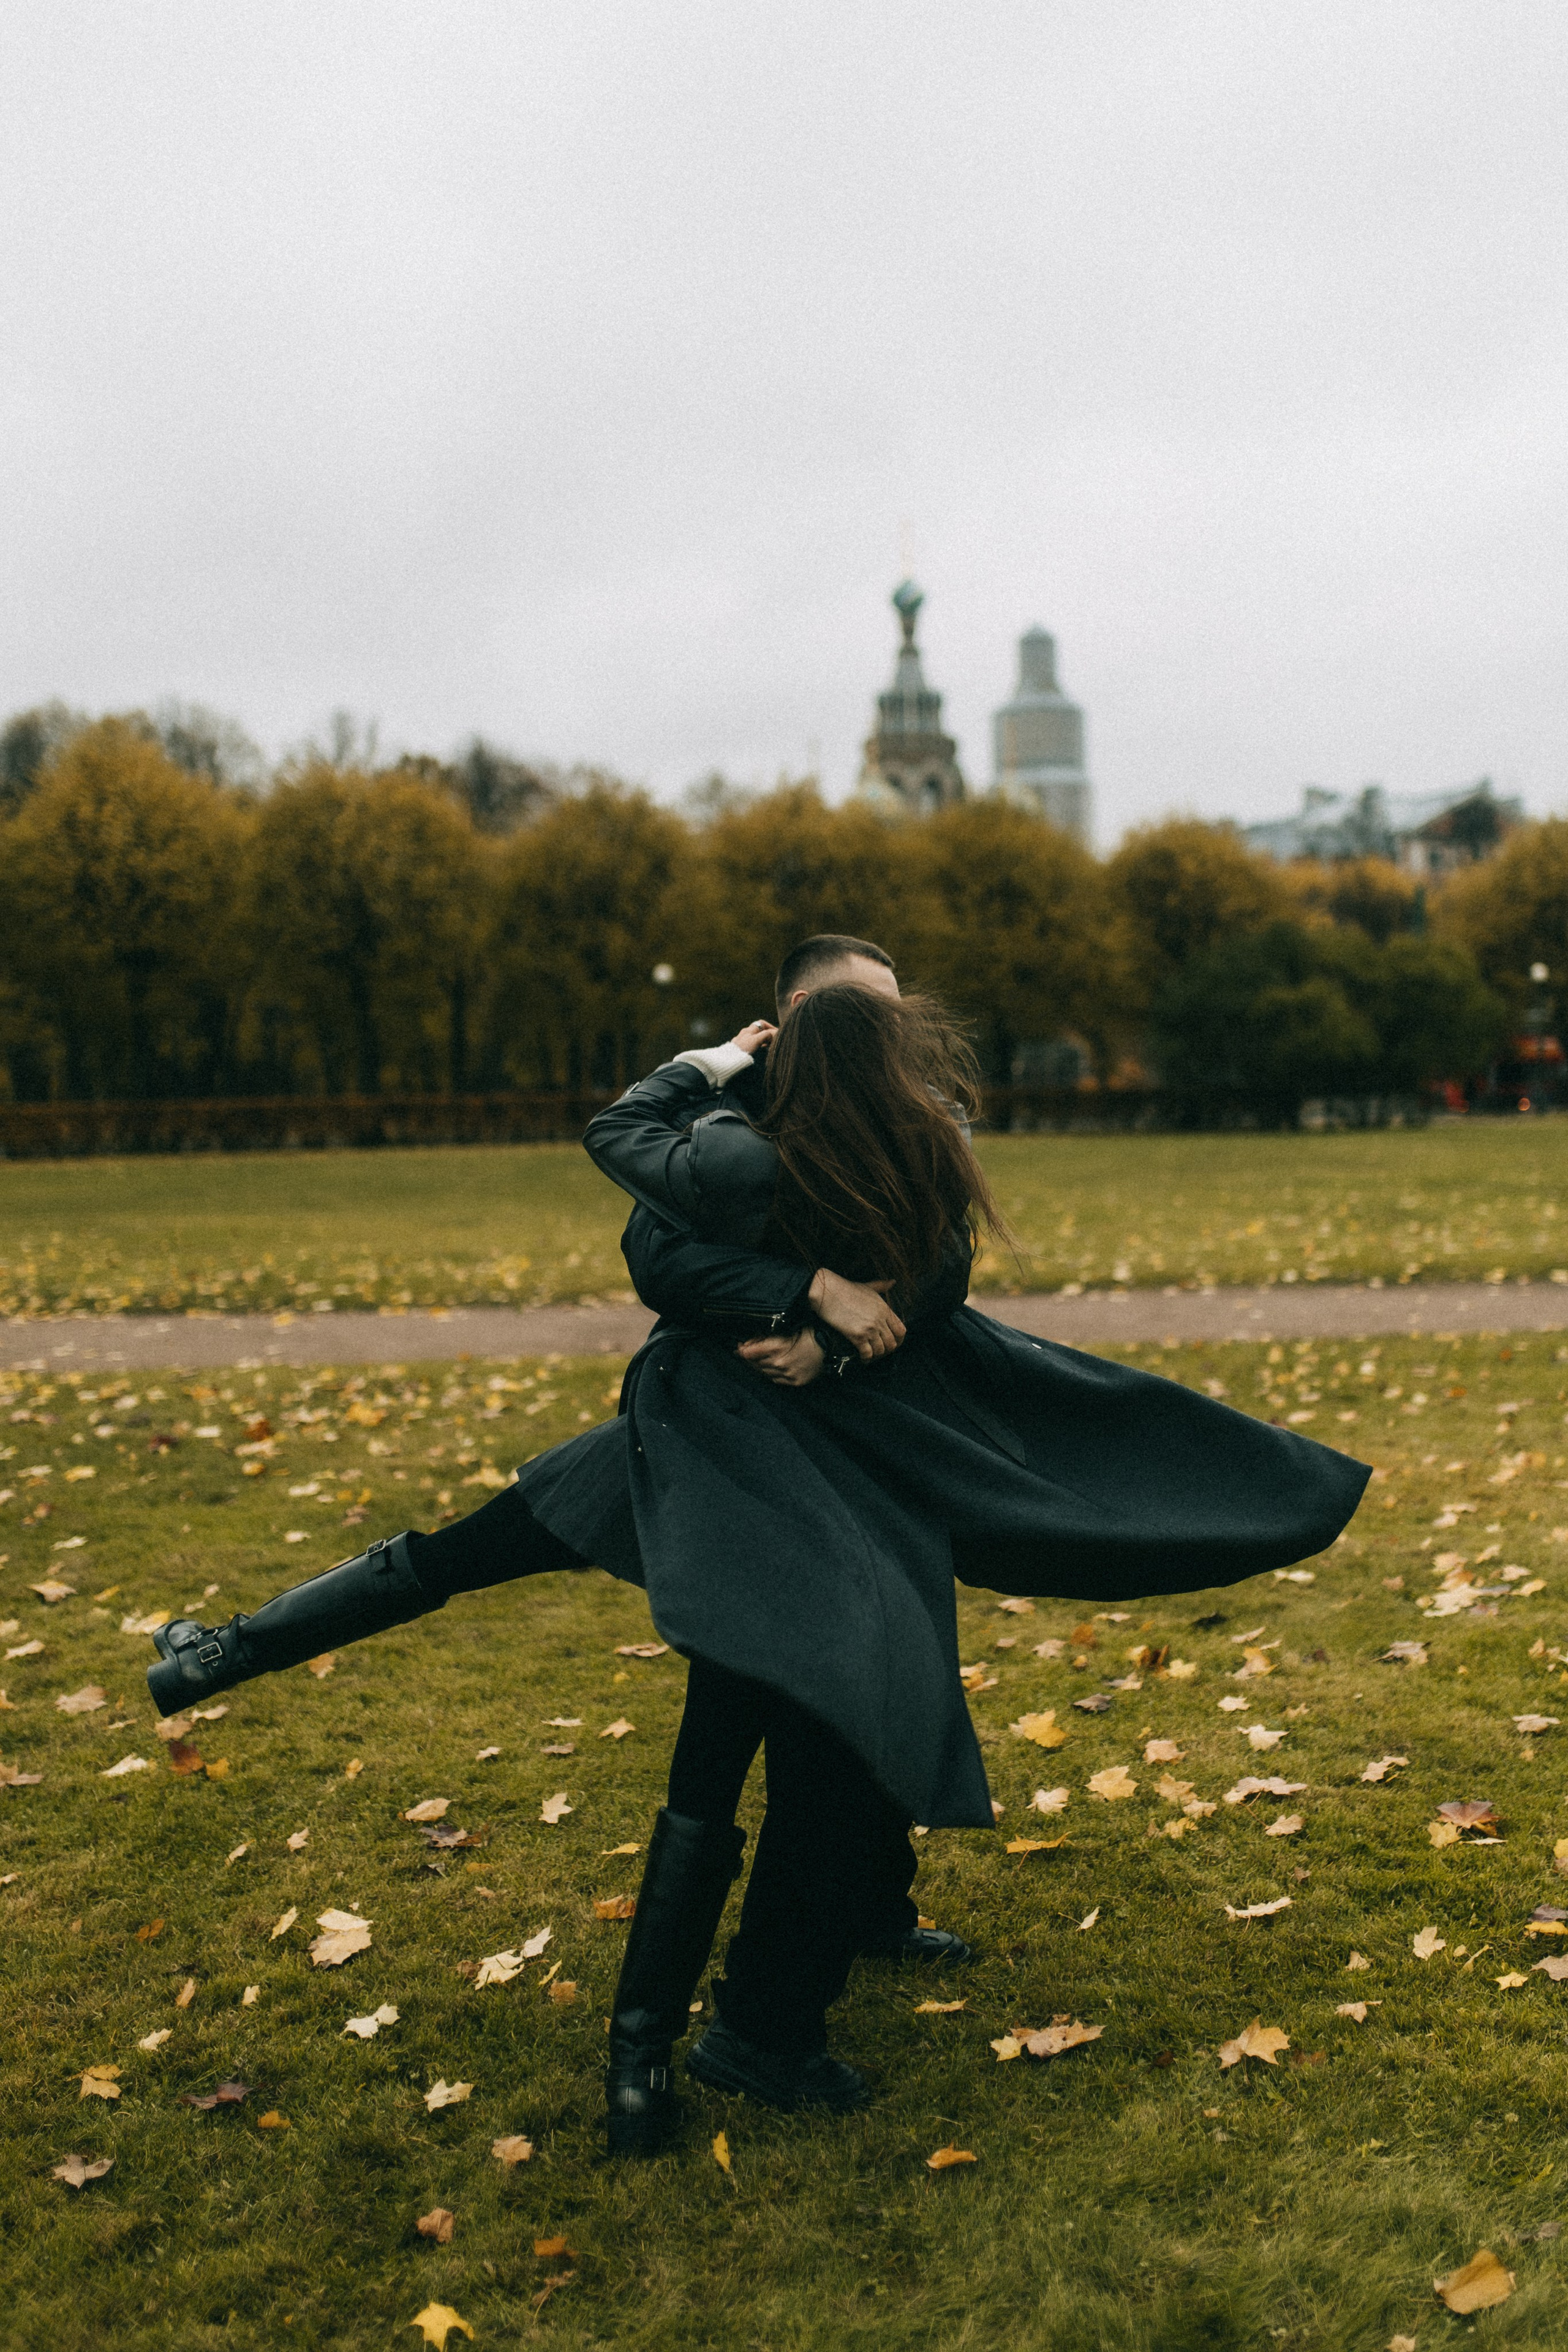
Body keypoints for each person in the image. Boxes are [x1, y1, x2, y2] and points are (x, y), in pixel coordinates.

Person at [148, 950, 1371, 2158]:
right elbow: (663, 1262)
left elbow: (936, 1272)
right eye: (868, 1015)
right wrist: (809, 1292)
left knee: (831, 1659)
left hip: (832, 1439)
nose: (891, 1038)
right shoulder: (738, 1132)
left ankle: (778, 1981)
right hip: (718, 1440)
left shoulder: (892, 1127)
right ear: (795, 1020)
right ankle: (715, 2033)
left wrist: (830, 1335)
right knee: (578, 1593)